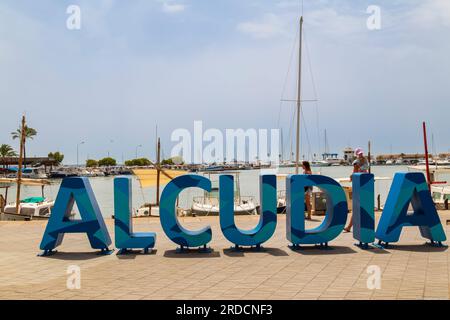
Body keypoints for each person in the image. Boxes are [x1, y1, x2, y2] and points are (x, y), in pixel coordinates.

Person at [343, 148, 369, 232]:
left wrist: (353, 175)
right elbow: (355, 172)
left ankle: (350, 227)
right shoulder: (356, 162)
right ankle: (350, 227)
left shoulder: (364, 162)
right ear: (357, 155)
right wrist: (352, 175)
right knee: (358, 210)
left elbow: (359, 171)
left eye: (361, 153)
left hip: (363, 187)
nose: (361, 155)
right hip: (361, 187)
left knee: (358, 210)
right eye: (359, 154)